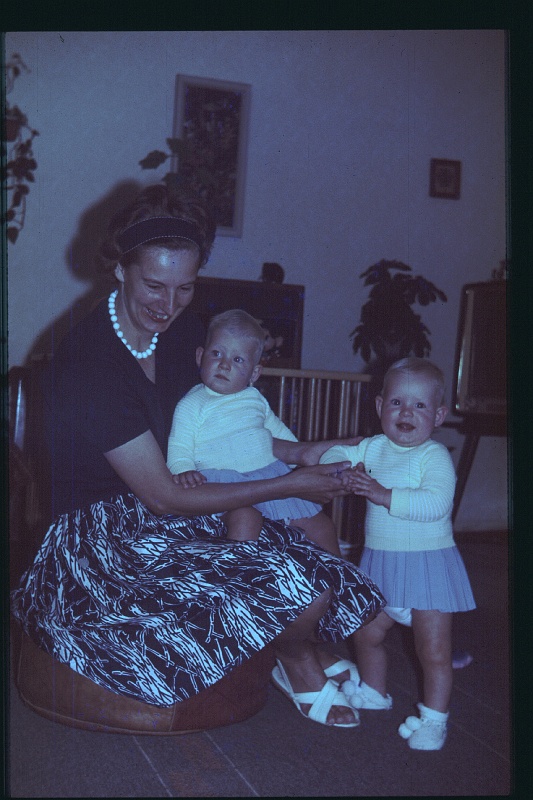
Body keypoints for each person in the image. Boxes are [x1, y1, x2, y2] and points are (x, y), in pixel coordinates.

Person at [10, 183, 385, 729]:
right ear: (120, 268)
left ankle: (288, 652)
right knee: (293, 588)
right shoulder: (87, 362)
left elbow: (224, 428)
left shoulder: (185, 331)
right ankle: (296, 657)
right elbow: (161, 498)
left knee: (319, 569)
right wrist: (290, 484)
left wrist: (300, 452)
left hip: (183, 507)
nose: (168, 305)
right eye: (154, 285)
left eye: (184, 287)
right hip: (103, 541)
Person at [320, 357, 476, 748]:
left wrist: (379, 493)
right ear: (379, 407)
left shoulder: (433, 456)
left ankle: (434, 720)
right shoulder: (374, 448)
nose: (406, 413)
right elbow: (330, 457)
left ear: (438, 415)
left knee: (433, 650)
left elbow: (436, 503)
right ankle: (374, 690)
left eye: (419, 406)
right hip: (381, 563)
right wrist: (339, 466)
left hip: (428, 565)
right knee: (366, 632)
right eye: (396, 403)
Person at [167, 308, 342, 554]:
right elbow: (179, 443)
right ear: (200, 356)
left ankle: (343, 579)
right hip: (223, 485)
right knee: (246, 521)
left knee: (321, 525)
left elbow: (276, 431)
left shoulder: (255, 399)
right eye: (217, 353)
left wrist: (303, 468)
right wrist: (182, 468)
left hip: (267, 475)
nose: (224, 365)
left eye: (238, 360)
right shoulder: (193, 403)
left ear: (254, 373)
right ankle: (238, 581)